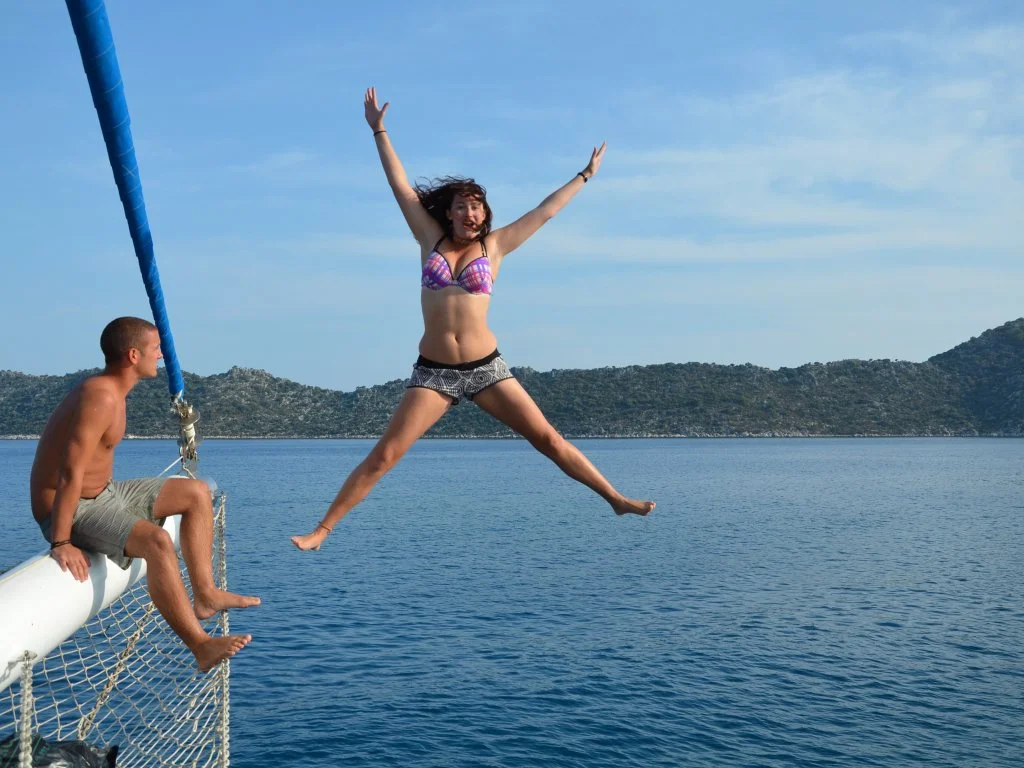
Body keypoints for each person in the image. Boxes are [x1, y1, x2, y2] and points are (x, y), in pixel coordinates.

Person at [290, 87, 655, 552]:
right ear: (448, 213)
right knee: (385, 455)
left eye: (476, 205)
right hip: (434, 373)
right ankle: (322, 531)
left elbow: (545, 211)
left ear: (484, 215)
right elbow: (400, 187)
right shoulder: (429, 238)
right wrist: (379, 131)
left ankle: (616, 499)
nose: (470, 212)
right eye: (461, 205)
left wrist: (584, 175)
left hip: (486, 369)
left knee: (548, 439)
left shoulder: (495, 246)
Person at [30, 317, 260, 672]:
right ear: (134, 355)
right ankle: (200, 646)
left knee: (197, 493)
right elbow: (71, 473)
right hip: (69, 507)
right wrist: (61, 541)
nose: (162, 356)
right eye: (155, 349)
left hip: (104, 494)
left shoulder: (114, 391)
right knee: (157, 542)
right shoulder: (100, 397)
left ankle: (206, 594)